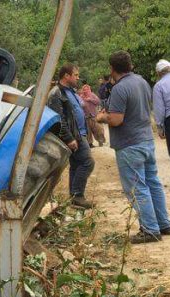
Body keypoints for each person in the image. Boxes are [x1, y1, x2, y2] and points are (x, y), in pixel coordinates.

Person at [96, 51, 170, 244]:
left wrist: (102, 117)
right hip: (146, 140)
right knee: (153, 183)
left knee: (137, 188)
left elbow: (116, 120)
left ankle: (150, 230)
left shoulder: (120, 89)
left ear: (112, 68)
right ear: (130, 65)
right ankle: (164, 224)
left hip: (129, 145)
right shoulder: (141, 82)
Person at [48, 63, 95, 208]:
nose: (78, 78)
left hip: (79, 134)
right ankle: (78, 196)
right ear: (66, 76)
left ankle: (74, 198)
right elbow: (59, 118)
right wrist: (68, 138)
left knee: (76, 165)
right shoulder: (57, 93)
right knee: (88, 162)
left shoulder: (71, 91)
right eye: (75, 75)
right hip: (74, 136)